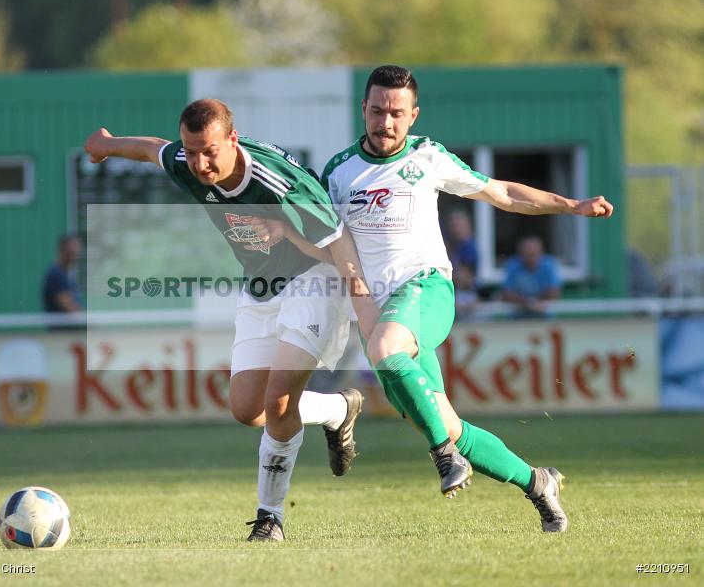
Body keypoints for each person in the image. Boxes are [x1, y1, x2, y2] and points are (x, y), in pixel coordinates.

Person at [259, 65, 613, 533]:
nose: (386, 122)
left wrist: (571, 205)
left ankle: (443, 456)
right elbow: (329, 244)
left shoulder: (428, 157)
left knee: (390, 356)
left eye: (397, 113)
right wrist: (284, 231)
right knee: (448, 425)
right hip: (378, 314)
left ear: (413, 116)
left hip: (425, 290)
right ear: (364, 109)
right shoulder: (339, 172)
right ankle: (537, 482)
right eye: (378, 111)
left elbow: (503, 193)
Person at [83, 99, 379, 542]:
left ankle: (270, 518)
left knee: (279, 401)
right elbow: (151, 149)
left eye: (209, 152)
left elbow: (338, 241)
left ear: (232, 140)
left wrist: (363, 305)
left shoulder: (277, 183)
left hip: (313, 279)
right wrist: (107, 145)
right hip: (261, 285)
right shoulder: (187, 162)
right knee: (248, 410)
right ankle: (339, 409)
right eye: (191, 151)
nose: (200, 163)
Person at [501, 235, 562, 318]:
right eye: (527, 254)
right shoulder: (512, 265)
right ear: (520, 253)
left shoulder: (550, 265)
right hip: (517, 316)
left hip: (543, 315)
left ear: (541, 252)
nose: (530, 258)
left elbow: (554, 293)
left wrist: (535, 303)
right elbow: (507, 294)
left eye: (532, 254)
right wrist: (529, 303)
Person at [42, 234, 83, 313]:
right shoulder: (56, 274)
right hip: (58, 321)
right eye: (72, 251)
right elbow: (70, 308)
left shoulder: (68, 274)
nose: (76, 254)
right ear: (63, 250)